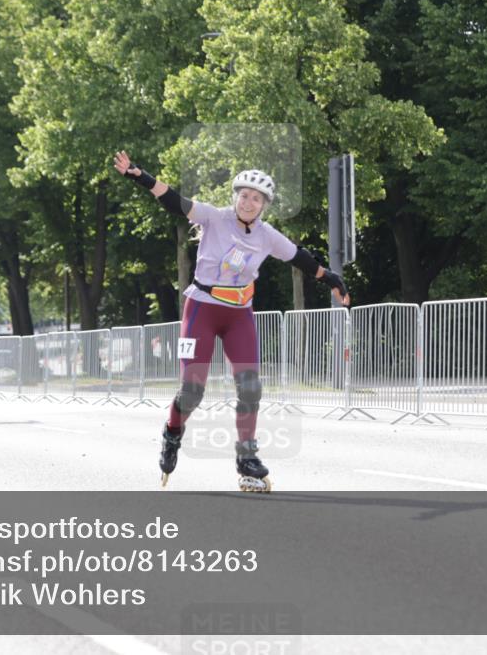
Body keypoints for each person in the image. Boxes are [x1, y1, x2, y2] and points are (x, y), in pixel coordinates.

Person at [113, 150, 349, 492]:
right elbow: (176, 202)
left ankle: (246, 457)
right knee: (192, 391)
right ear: (235, 197)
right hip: (201, 310)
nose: (248, 202)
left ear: (264, 205)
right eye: (244, 196)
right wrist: (141, 177)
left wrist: (331, 278)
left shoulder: (267, 235)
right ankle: (173, 431)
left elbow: (299, 257)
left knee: (251, 387)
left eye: (256, 199)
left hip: (239, 313)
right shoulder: (214, 217)